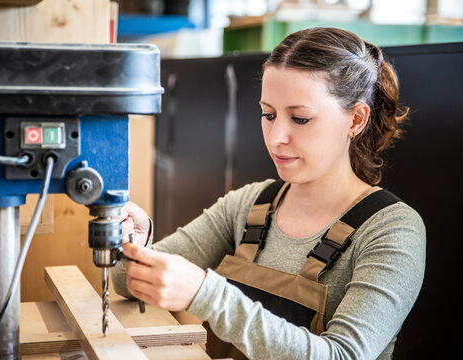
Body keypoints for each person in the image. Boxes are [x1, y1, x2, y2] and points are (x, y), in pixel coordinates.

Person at [112, 27, 426, 360]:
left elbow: (343, 356)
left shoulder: (392, 231)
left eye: (300, 118)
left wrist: (207, 295)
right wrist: (137, 243)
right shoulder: (249, 204)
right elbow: (126, 283)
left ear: (356, 119)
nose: (276, 136)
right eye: (268, 114)